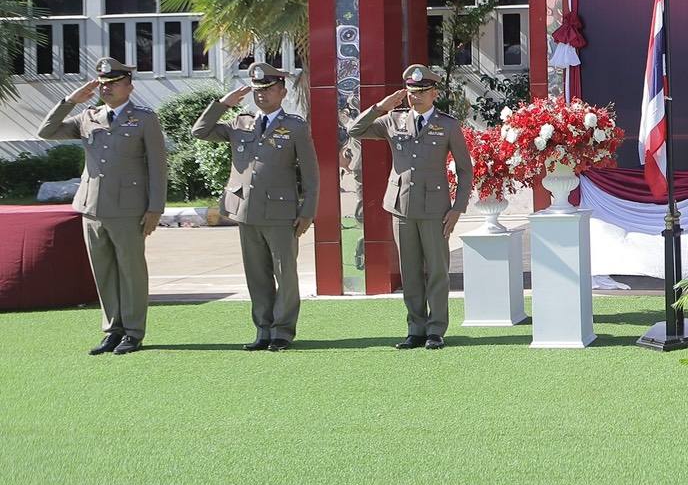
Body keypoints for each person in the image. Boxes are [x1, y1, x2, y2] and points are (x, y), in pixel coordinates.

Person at [36, 57, 165, 355]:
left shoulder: (144, 119)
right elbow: (47, 131)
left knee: (131, 271)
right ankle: (112, 330)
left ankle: (133, 332)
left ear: (129, 86)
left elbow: (158, 167)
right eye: (103, 84)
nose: (106, 88)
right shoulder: (88, 116)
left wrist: (155, 208)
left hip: (128, 208)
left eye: (114, 83)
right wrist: (71, 100)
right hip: (92, 207)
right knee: (104, 271)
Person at [192, 62, 320, 351]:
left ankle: (282, 331)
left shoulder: (295, 126)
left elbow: (310, 174)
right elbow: (200, 131)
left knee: (284, 273)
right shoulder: (240, 122)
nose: (261, 94)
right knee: (256, 274)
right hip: (246, 210)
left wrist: (308, 211)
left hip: (281, 212)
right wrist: (223, 104)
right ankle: (263, 329)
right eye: (257, 90)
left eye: (268, 89)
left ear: (282, 92)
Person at [347, 65, 473, 350]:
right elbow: (355, 130)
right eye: (412, 92)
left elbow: (465, 169)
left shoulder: (447, 125)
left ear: (434, 93)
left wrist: (458, 208)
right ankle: (416, 329)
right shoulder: (393, 120)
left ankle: (436, 329)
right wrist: (381, 107)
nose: (416, 96)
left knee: (437, 270)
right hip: (401, 206)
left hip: (435, 209)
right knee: (410, 270)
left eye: (422, 91)